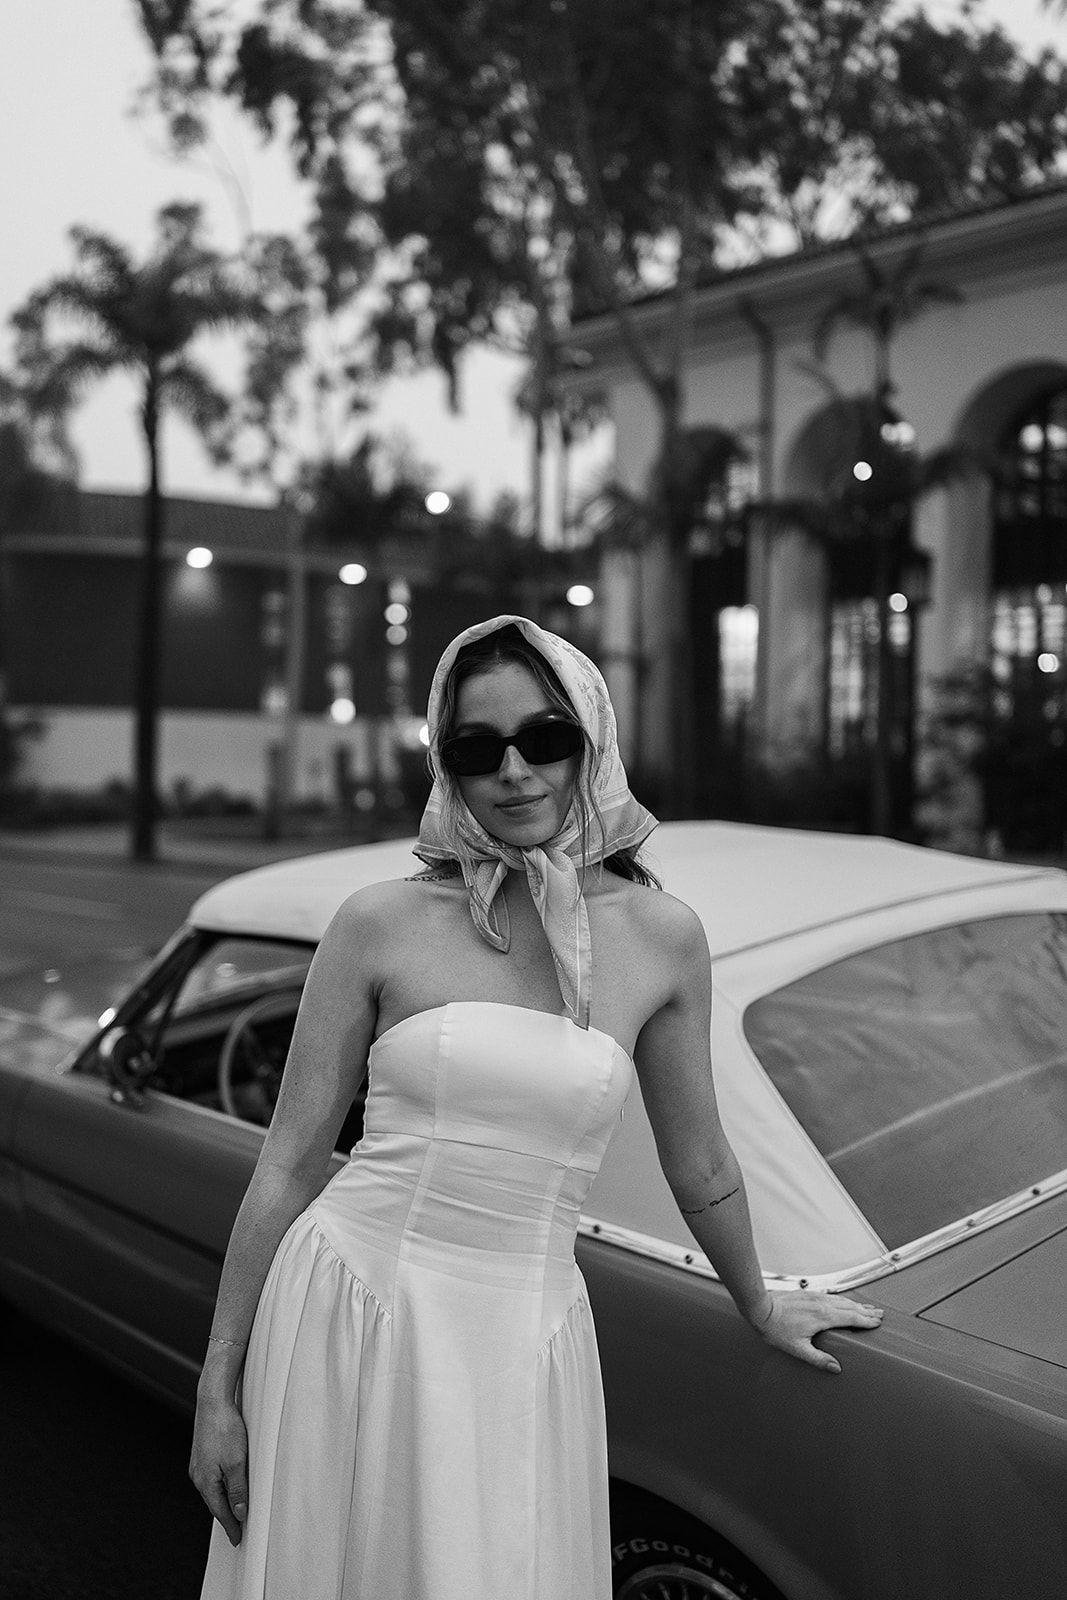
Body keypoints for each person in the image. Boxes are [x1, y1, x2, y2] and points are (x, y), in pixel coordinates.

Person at [192, 614, 883, 1599]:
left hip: (521, 1336)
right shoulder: (376, 922)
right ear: (448, 767)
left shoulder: (661, 935)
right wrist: (218, 1382)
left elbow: (703, 1165)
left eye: (543, 738)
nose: (514, 771)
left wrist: (759, 1300)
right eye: (479, 748)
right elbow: (291, 1160)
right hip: (345, 1305)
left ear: (589, 740)